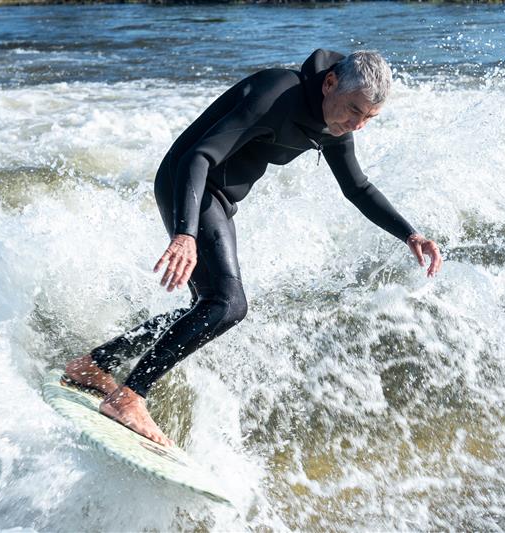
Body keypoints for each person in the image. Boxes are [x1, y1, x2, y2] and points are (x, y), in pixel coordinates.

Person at [63, 49, 443, 446]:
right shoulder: (276, 94)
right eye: (354, 111)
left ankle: (94, 364)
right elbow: (200, 154)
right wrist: (185, 233)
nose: (357, 125)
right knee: (228, 304)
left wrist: (409, 234)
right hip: (191, 183)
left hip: (218, 199)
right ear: (330, 83)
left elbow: (357, 187)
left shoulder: (335, 122)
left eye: (369, 118)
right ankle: (129, 397)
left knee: (210, 307)